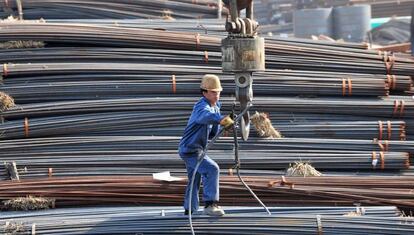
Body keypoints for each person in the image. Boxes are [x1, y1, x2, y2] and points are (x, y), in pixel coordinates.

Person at [178, 74, 234, 216]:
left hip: (196, 148)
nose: (217, 95)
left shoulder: (216, 106)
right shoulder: (201, 106)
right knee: (212, 169)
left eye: (219, 92)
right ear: (204, 93)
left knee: (195, 178)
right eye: (214, 92)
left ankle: (189, 209)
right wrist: (222, 120)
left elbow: (211, 131)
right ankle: (211, 205)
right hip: (190, 150)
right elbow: (205, 117)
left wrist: (224, 125)